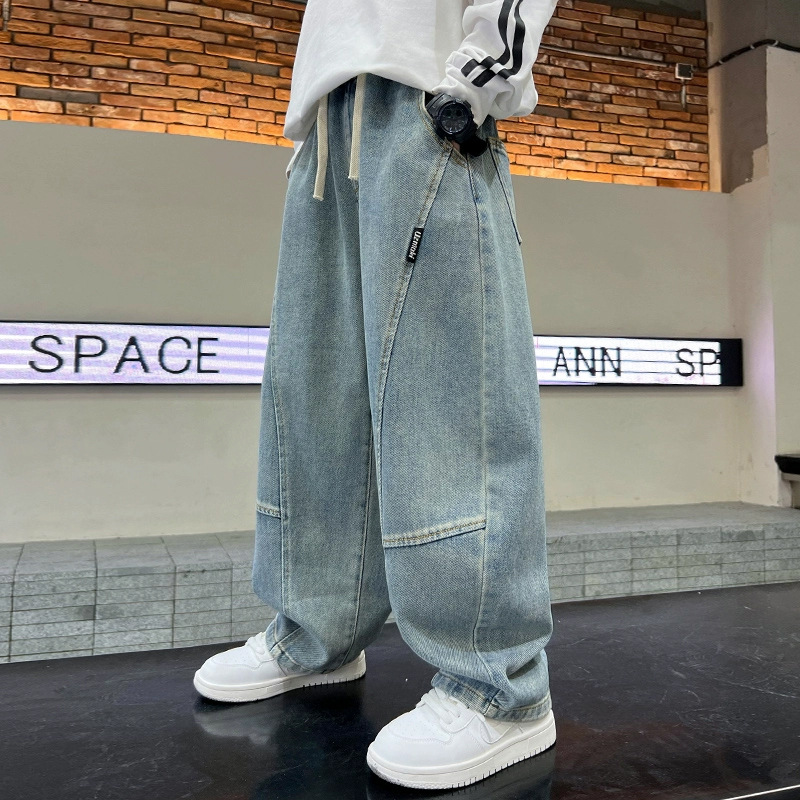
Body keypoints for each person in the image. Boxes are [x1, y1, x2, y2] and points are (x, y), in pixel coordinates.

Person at [194, 0, 560, 790]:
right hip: (330, 118)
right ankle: (316, 632)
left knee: (450, 394)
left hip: (427, 99)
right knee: (314, 395)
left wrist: (478, 77)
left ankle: (498, 685)